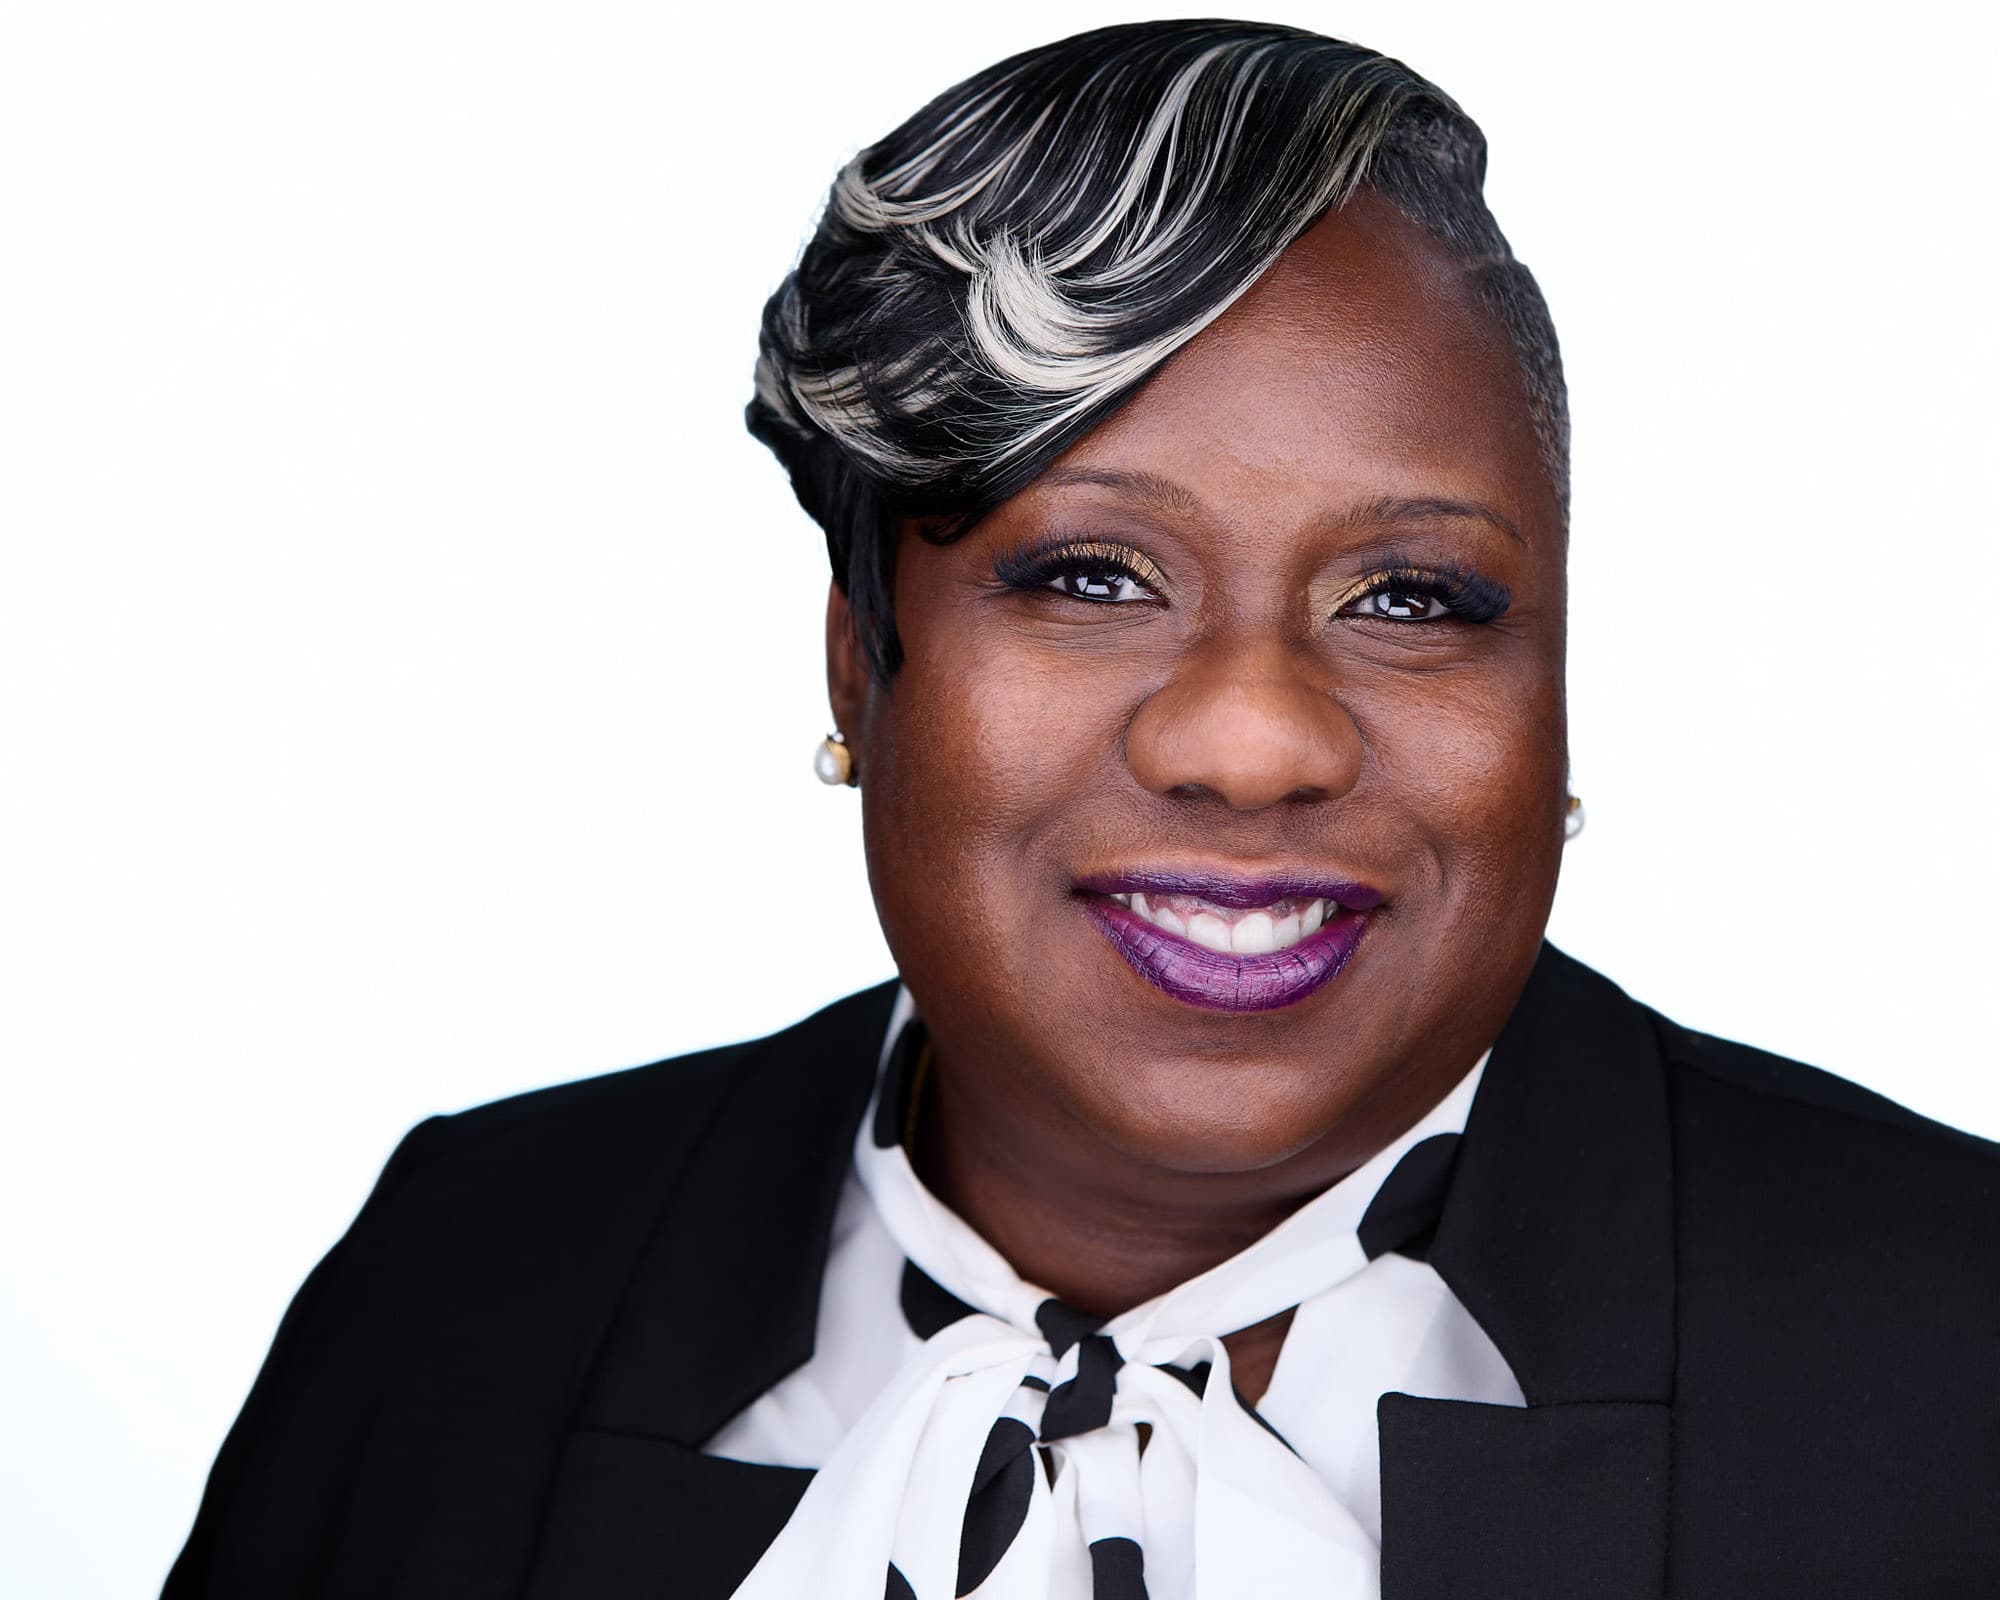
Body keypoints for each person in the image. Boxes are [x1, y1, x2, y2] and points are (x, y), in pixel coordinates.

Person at [162, 20, 2000, 1599]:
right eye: (1094, 576)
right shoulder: (467, 1281)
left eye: (1416, 599)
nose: (1258, 741)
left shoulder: (1950, 1349)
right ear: (858, 665)